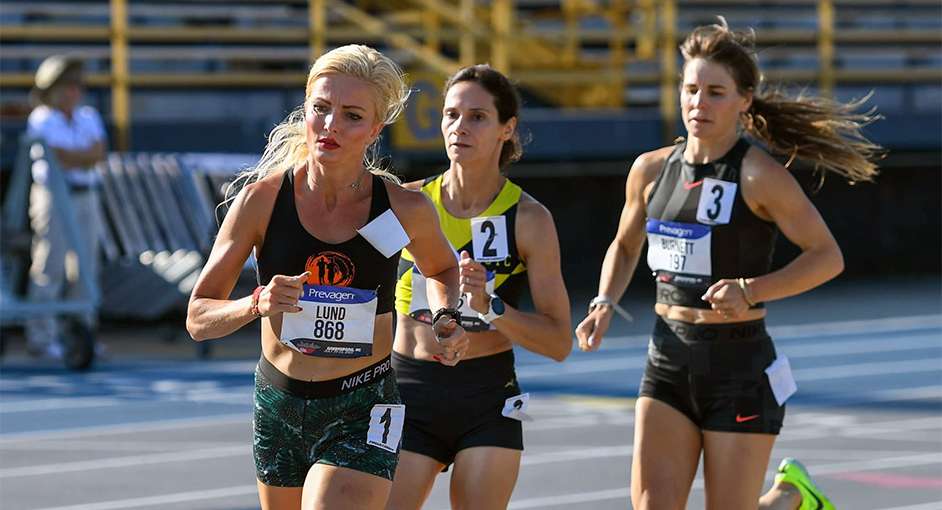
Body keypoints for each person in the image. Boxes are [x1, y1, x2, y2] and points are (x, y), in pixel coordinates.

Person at [575, 19, 881, 510]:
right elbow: (625, 244)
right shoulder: (651, 169)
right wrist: (604, 301)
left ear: (744, 100)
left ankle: (789, 497)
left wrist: (751, 289)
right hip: (668, 355)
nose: (699, 103)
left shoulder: (759, 175)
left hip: (738, 365)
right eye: (691, 89)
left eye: (716, 92)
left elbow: (828, 257)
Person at [186, 44, 469, 510]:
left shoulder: (403, 208)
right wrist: (256, 302)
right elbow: (198, 317)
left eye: (352, 116)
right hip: (279, 401)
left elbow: (440, 267)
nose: (331, 125)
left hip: (363, 404)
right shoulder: (262, 201)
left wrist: (445, 316)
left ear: (376, 128)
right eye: (321, 108)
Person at [387, 65, 572, 510]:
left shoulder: (529, 219)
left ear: (507, 129)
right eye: (451, 115)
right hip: (408, 388)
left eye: (477, 117)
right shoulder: (407, 203)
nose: (459, 127)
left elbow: (559, 342)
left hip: (486, 395)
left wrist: (491, 306)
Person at [25, 55, 107, 359]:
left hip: (87, 194)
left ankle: (82, 335)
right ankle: (41, 337)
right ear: (51, 89)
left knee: (86, 269)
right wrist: (82, 155)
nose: (73, 91)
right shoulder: (42, 118)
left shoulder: (88, 115)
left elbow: (98, 153)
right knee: (50, 265)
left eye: (75, 84)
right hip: (52, 196)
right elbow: (58, 157)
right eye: (65, 85)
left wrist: (78, 156)